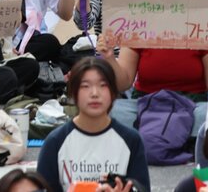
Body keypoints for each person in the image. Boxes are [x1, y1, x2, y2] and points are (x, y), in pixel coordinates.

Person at [38, 58, 150, 192]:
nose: (95, 93)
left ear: (113, 92)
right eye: (85, 86)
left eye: (103, 85)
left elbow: (142, 187)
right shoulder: (56, 142)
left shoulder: (131, 140)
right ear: (74, 93)